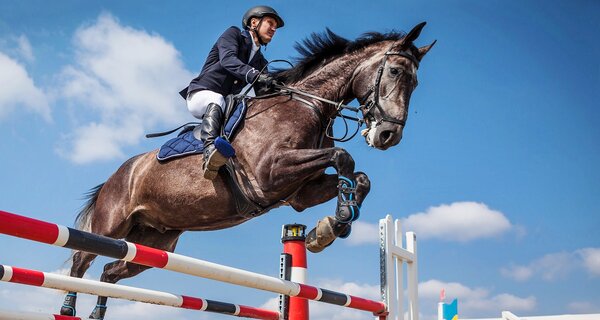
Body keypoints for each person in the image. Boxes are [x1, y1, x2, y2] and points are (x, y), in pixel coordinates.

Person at [179, 5, 284, 180]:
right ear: (254, 22)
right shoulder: (233, 34)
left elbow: (264, 94)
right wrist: (255, 75)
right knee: (218, 99)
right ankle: (210, 150)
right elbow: (228, 60)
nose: (274, 29)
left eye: (275, 26)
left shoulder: (260, 61)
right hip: (201, 94)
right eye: (270, 23)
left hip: (225, 104)